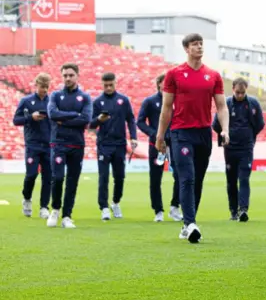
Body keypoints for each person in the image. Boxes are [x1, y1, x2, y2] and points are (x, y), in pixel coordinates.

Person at [155, 33, 229, 243]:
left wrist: (225, 130)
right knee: (186, 177)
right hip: (181, 133)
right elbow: (167, 108)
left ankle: (187, 222)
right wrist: (160, 136)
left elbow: (222, 106)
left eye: (201, 44)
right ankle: (191, 224)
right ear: (186, 49)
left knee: (198, 181)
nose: (199, 47)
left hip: (204, 133)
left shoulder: (213, 75)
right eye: (195, 44)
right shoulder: (174, 74)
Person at [46, 63, 92, 228]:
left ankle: (67, 216)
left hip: (77, 145)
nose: (67, 78)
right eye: (65, 75)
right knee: (57, 178)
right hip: (58, 143)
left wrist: (63, 120)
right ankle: (55, 209)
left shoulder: (85, 97)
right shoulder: (55, 96)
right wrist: (74, 115)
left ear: (77, 75)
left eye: (71, 75)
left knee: (72, 181)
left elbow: (86, 119)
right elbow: (52, 114)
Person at [213, 77, 264, 222]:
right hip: (230, 148)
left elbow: (260, 124)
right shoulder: (226, 104)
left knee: (244, 178)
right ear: (233, 88)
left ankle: (243, 210)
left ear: (246, 89)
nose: (240, 95)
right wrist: (225, 135)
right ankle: (233, 211)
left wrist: (249, 136)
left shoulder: (253, 104)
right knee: (231, 180)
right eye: (237, 92)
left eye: (242, 93)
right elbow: (216, 124)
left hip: (246, 148)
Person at [89, 72, 138, 220]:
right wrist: (99, 119)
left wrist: (134, 137)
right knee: (103, 177)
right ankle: (103, 207)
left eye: (111, 85)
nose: (109, 87)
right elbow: (91, 124)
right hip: (104, 144)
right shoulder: (97, 102)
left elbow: (130, 119)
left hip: (120, 144)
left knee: (120, 177)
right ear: (102, 85)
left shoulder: (123, 100)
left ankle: (115, 202)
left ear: (115, 83)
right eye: (106, 85)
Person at [137, 73, 183, 222]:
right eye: (166, 83)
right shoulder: (150, 101)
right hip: (156, 145)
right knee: (155, 178)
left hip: (175, 144)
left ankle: (175, 207)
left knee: (180, 176)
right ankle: (158, 211)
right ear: (159, 85)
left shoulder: (178, 101)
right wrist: (154, 134)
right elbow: (140, 121)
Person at [13, 73, 52, 219]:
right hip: (33, 145)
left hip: (49, 145)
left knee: (48, 177)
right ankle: (27, 199)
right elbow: (16, 120)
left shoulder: (52, 102)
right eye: (42, 87)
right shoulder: (26, 101)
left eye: (47, 87)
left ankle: (44, 207)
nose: (44, 90)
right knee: (31, 175)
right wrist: (31, 117)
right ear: (36, 85)